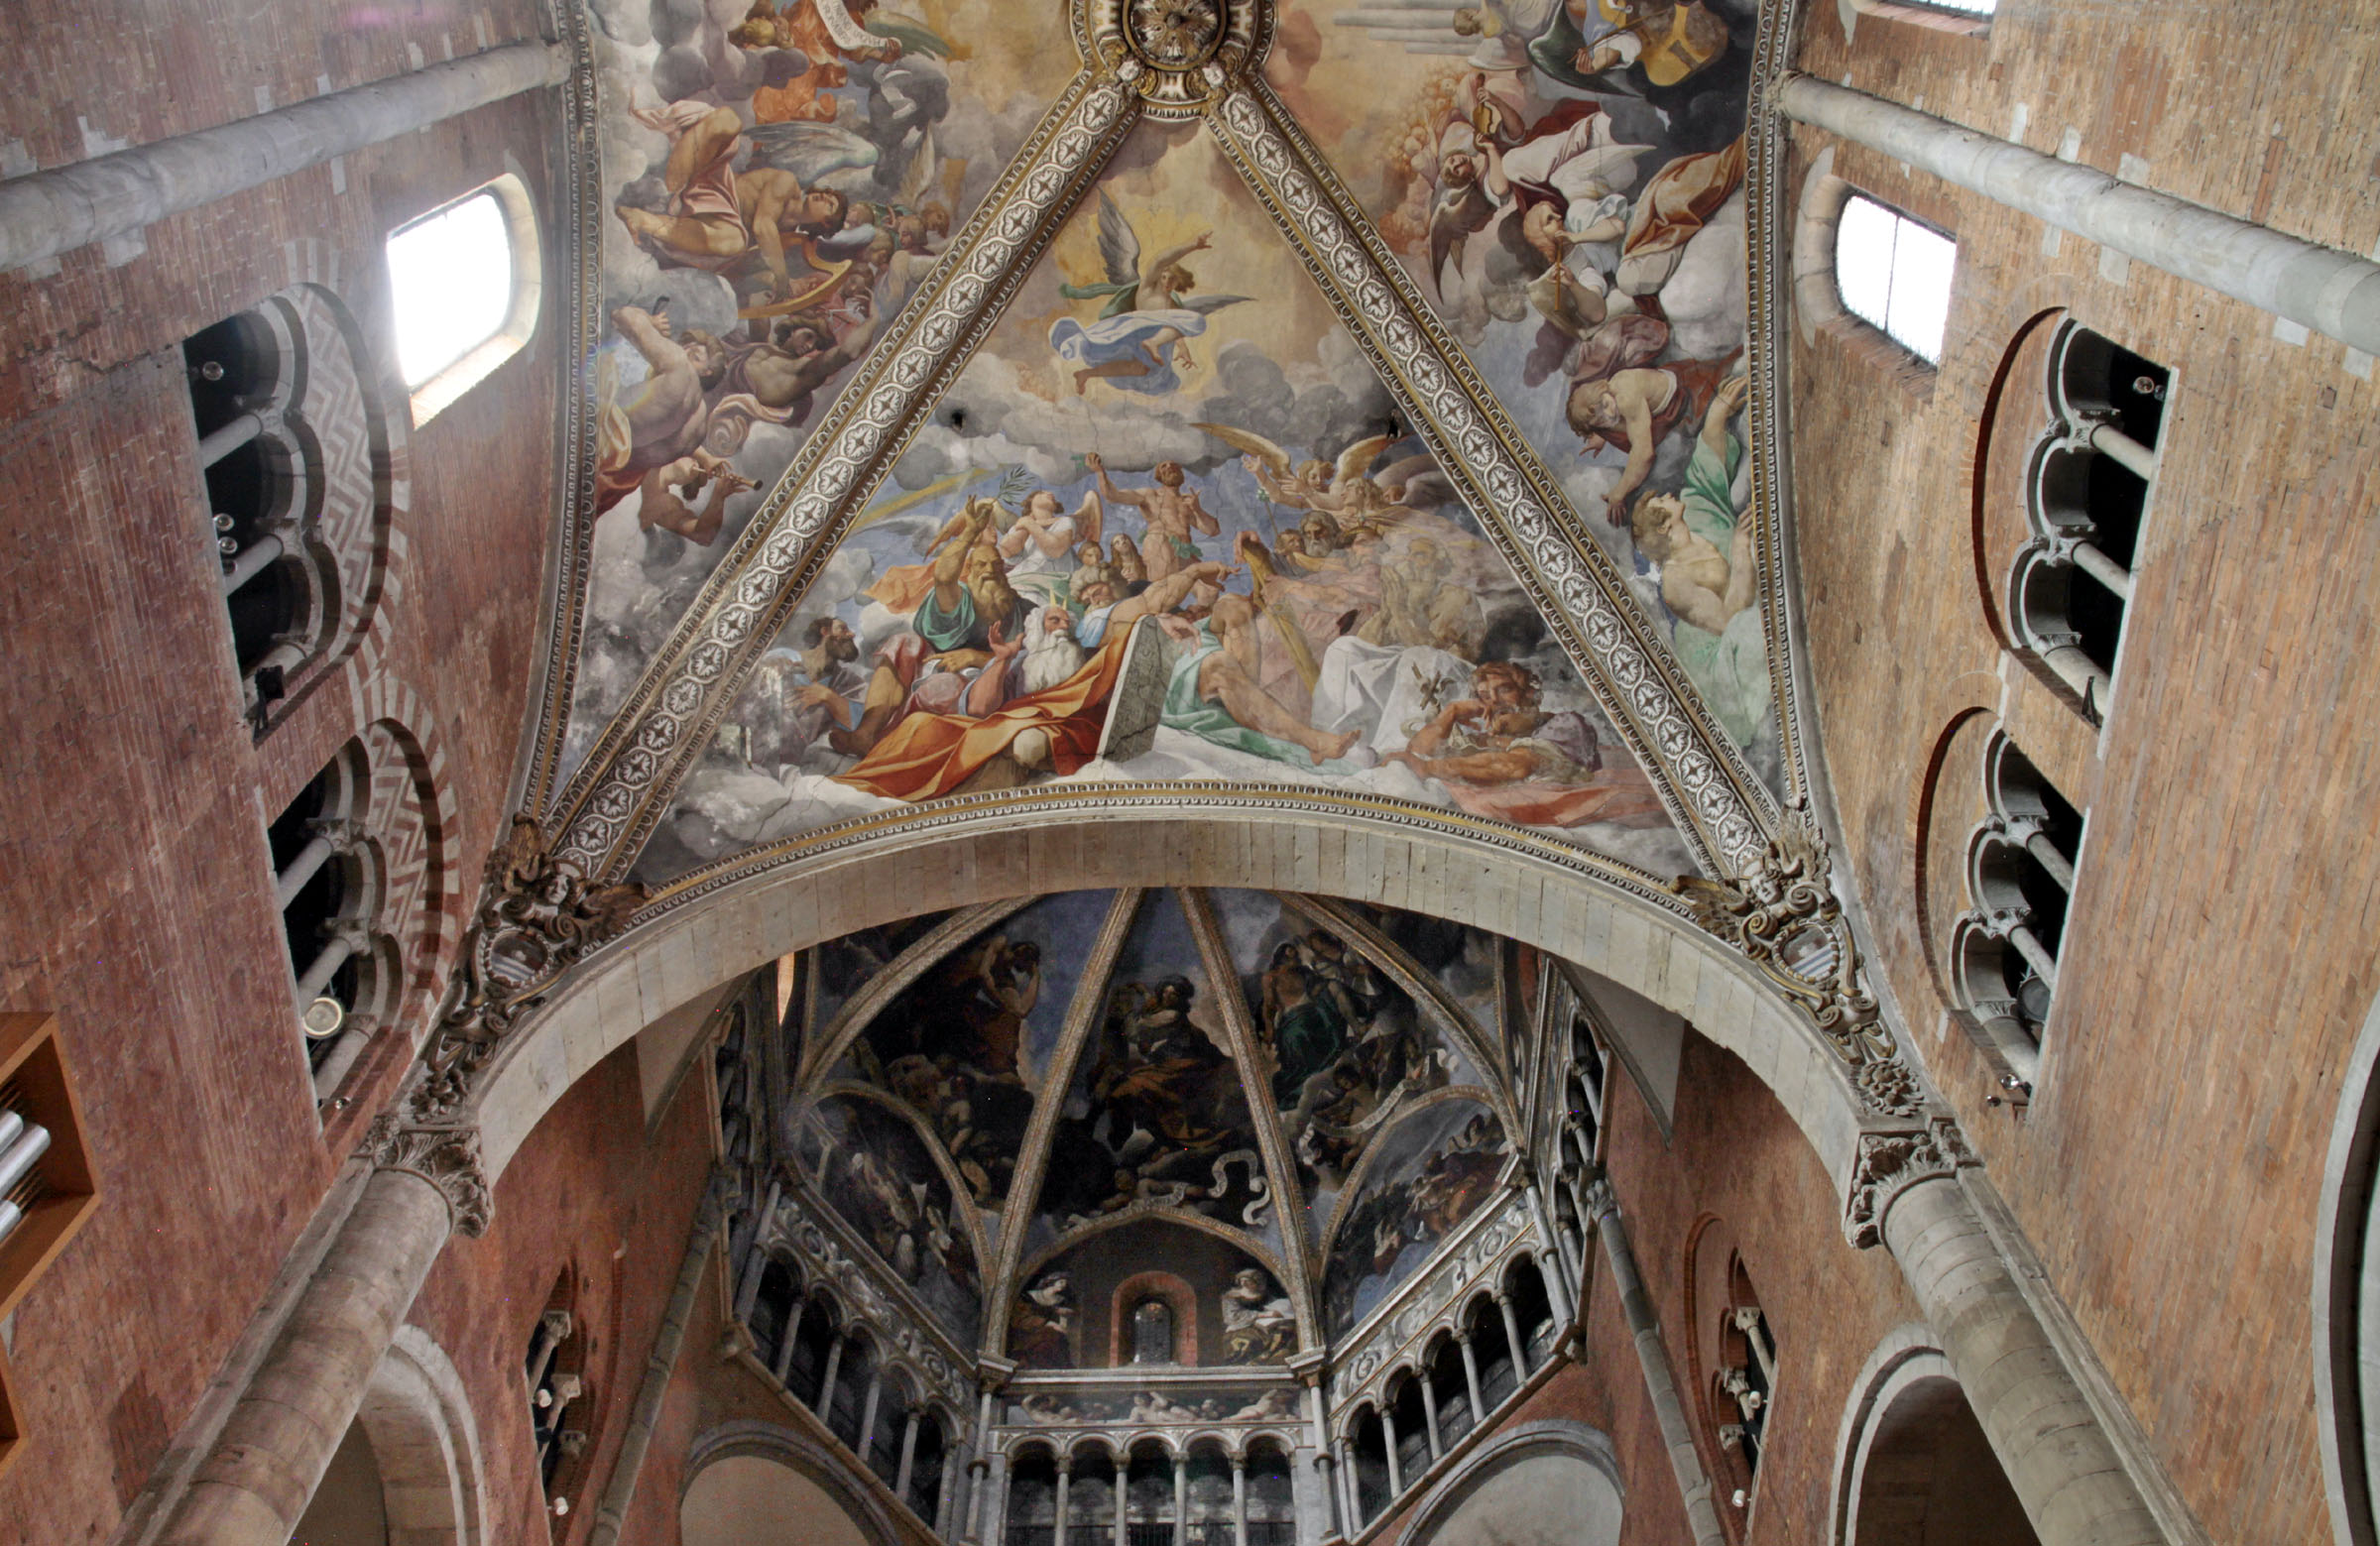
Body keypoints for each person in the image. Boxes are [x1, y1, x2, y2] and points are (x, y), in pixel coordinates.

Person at [1627, 373, 1769, 747]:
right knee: (1755, 631)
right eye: (1659, 502)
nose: (1667, 495)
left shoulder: (1697, 518)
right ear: (1660, 528)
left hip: (1741, 606)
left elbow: (1703, 478)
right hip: (1719, 657)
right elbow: (1729, 622)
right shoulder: (1675, 583)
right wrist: (1740, 554)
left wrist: (1717, 416)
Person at [616, 100, 853, 301]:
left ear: (824, 224)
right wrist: (782, 277)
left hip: (713, 217)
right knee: (730, 121)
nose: (823, 195)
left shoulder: (787, 231)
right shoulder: (788, 184)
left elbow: (745, 262)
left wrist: (775, 284)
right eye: (827, 193)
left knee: (735, 242)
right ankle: (672, 162)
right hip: (713, 180)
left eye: (829, 204)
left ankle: (643, 220)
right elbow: (762, 226)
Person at [1389, 659, 1670, 828]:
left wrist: (1431, 767)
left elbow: (1514, 767)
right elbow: (1417, 751)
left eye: (1505, 690)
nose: (1494, 702)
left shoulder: (1566, 725)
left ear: (1530, 696)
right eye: (1484, 695)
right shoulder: (1482, 737)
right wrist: (1450, 713)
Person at [1568, 346, 1743, 522]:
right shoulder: (1611, 396)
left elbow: (1644, 454)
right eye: (1599, 421)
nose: (1609, 414)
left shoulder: (1625, 398)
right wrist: (1601, 437)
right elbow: (1604, 416)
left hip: (1684, 398)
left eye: (1605, 405)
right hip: (1669, 385)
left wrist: (1619, 492)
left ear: (1602, 389)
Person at [594, 305, 726, 514]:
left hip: (598, 422)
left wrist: (651, 321)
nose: (688, 349)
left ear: (708, 371)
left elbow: (622, 316)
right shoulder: (699, 423)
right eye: (690, 345)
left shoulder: (679, 365)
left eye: (696, 354)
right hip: (609, 457)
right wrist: (706, 459)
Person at [1086, 453, 1221, 586]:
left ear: (1181, 472)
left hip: (1184, 554)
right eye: (1164, 466)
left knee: (1209, 591)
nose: (1170, 467)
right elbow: (1113, 496)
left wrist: (1198, 510)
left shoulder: (1188, 501)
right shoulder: (1150, 496)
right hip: (1160, 551)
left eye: (1174, 465)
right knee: (1164, 589)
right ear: (1159, 476)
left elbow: (1213, 531)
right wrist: (1100, 472)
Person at [1221, 1268, 1298, 1363]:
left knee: (1285, 1329)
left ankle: (1270, 1356)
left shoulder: (1262, 1294)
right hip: (1241, 1326)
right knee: (1251, 1340)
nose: (1245, 1283)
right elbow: (1232, 1316)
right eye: (1243, 1281)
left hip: (1265, 1324)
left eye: (1248, 1281)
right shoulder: (1232, 1296)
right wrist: (1262, 1315)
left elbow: (1274, 1306)